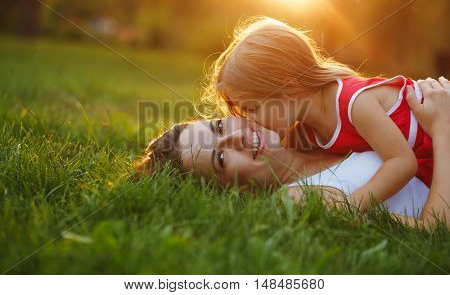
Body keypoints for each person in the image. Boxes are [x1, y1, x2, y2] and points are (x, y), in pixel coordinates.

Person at [139, 78, 449, 229]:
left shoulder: (311, 126)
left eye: (219, 127)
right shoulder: (301, 199)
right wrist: (443, 129)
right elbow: (434, 229)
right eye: (220, 158)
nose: (236, 137)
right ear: (233, 192)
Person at [204, 16, 439, 211]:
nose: (251, 122)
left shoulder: (354, 104)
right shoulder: (306, 130)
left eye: (253, 109)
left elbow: (402, 162)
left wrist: (354, 204)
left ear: (287, 86)